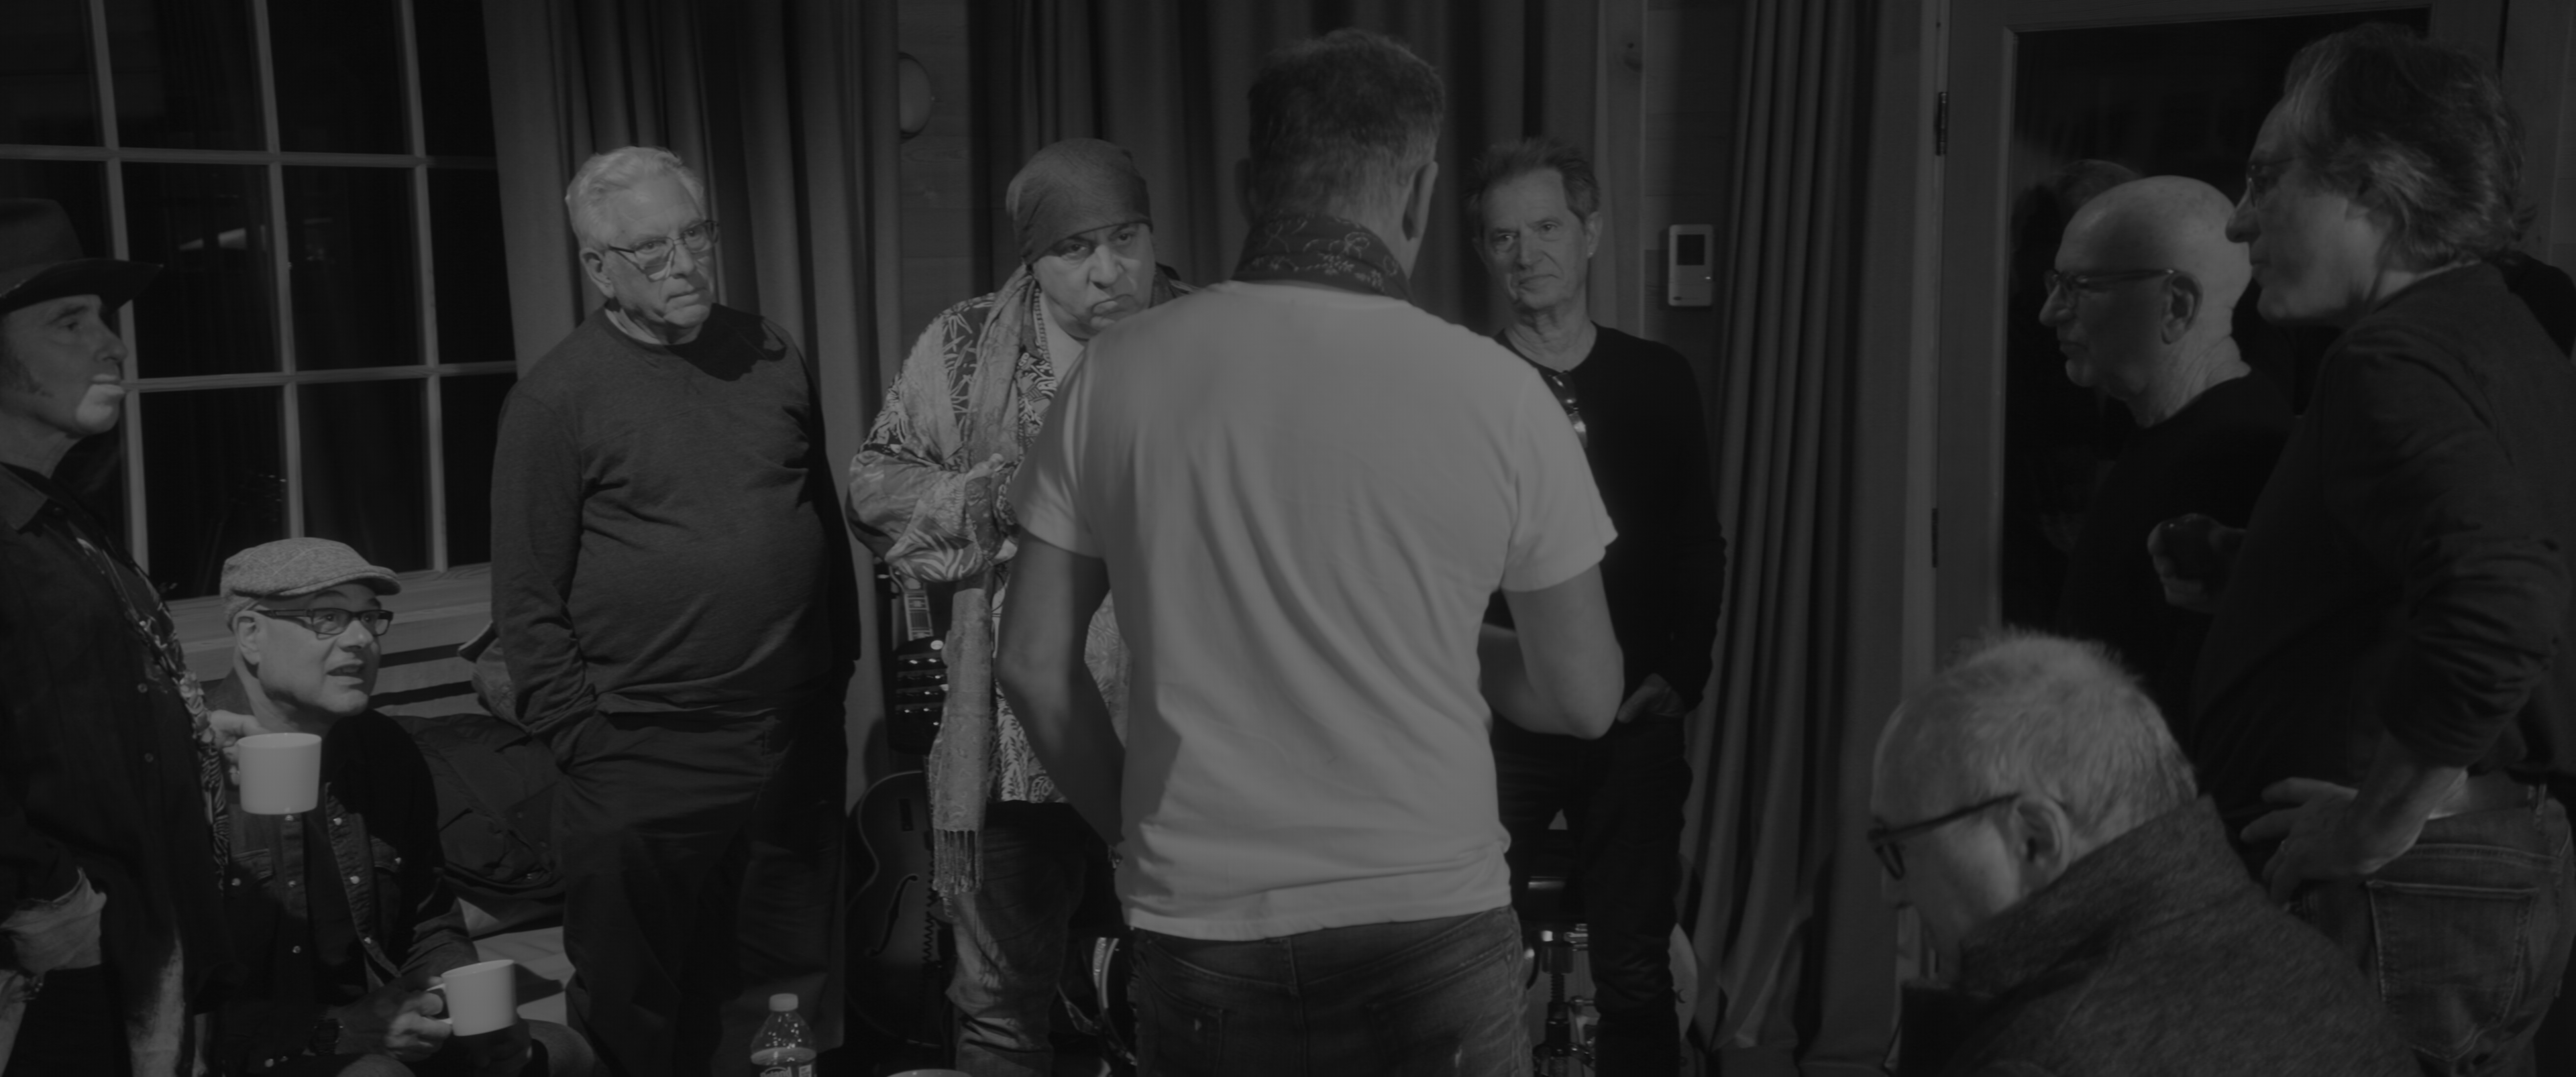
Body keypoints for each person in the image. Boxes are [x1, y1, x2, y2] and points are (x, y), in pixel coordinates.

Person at [998, 27, 1623, 1076]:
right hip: (1428, 917)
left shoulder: (1116, 377)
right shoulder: (1501, 395)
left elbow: (1028, 661)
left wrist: (1132, 829)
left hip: (1202, 921)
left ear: (1250, 186)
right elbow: (1584, 695)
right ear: (1421, 195)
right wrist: (1441, 635)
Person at [2176, 24, 2576, 1075]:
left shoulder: (2389, 361)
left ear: (2376, 185)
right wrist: (2259, 571)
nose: (2239, 219)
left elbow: (2503, 598)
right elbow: (2475, 563)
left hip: (2403, 890)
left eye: (2268, 178)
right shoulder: (2494, 329)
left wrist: (2376, 822)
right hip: (2467, 877)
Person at [488, 146, 860, 1077]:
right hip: (643, 745)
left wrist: (835, 673)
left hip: (789, 733)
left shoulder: (768, 352)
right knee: (635, 998)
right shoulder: (555, 400)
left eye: (694, 234)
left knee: (784, 988)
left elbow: (819, 515)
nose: (684, 263)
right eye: (651, 249)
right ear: (598, 266)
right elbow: (526, 597)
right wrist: (588, 742)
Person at [846, 137, 1188, 1076]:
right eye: (1076, 249)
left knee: (1191, 998)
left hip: (1177, 742)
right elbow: (873, 489)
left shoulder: (1207, 335)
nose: (1110, 270)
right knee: (1000, 1010)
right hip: (1014, 748)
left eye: (1127, 237)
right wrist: (1001, 492)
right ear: (1033, 261)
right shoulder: (964, 346)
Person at [1464, 135, 1725, 1073]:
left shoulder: (1658, 377)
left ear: (1591, 232)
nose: (1525, 253)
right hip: (1499, 722)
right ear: (1484, 252)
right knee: (1469, 963)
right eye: (1503, 237)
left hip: (1634, 715)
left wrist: (1682, 673)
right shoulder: (1467, 382)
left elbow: (1697, 541)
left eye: (1545, 228)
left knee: (1636, 969)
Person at [1871, 632, 2416, 1076]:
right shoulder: (2314, 969)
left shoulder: (2041, 1055)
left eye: (1897, 850)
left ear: (2035, 839)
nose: (1890, 892)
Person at [201, 538, 595, 1077]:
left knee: (558, 1053)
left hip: (382, 1025)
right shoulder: (188, 765)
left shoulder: (385, 750)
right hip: (235, 1051)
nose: (361, 639)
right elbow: (156, 988)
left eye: (369, 617)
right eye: (327, 618)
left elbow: (427, 918)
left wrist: (470, 1008)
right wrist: (331, 1032)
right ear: (251, 634)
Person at [0, 198, 229, 1076]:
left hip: (145, 953)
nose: (114, 346)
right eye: (70, 322)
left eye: (105, 319)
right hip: (49, 981)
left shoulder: (63, 515)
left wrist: (186, 731)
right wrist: (50, 902)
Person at [2040, 176, 2290, 725]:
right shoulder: (2170, 426)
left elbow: (2201, 718)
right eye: (2055, 282)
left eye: (2080, 286)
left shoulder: (2236, 457)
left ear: (2177, 304)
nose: (2050, 311)